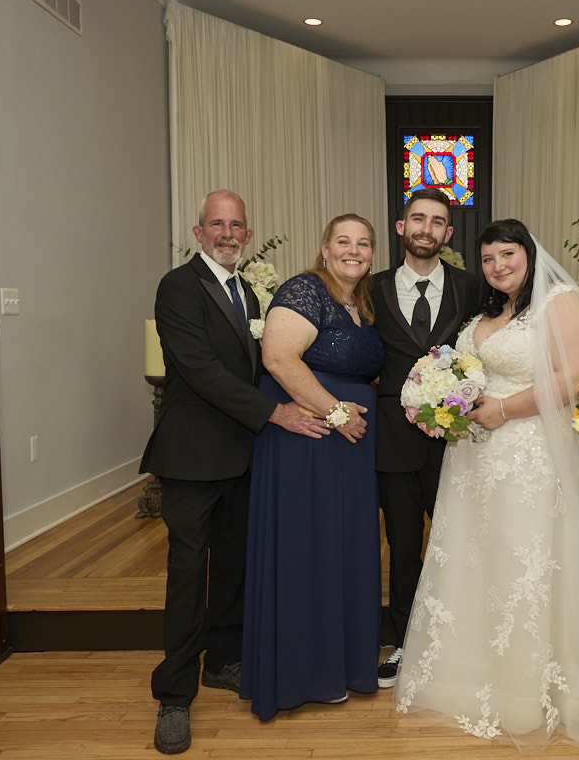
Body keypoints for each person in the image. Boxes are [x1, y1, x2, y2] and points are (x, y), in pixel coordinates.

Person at [394, 219, 579, 747]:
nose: (497, 266)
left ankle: (529, 687)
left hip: (530, 452)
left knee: (524, 558)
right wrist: (443, 399)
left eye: (507, 254)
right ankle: (475, 672)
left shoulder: (561, 302)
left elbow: (573, 378)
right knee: (478, 557)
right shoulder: (490, 312)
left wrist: (503, 409)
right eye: (487, 259)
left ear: (529, 254)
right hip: (473, 458)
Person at [140, 190, 329, 755]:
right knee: (187, 572)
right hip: (193, 455)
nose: (227, 233)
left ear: (247, 235)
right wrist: (276, 412)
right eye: (217, 224)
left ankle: (222, 660)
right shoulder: (178, 287)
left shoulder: (248, 291)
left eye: (236, 225)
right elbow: (199, 369)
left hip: (245, 454)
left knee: (232, 566)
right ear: (199, 233)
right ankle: (174, 695)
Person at [240, 214, 385, 720]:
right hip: (309, 439)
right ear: (324, 248)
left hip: (347, 446)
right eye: (343, 241)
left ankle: (341, 666)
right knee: (307, 546)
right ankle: (302, 673)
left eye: (363, 243)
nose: (353, 250)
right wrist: (337, 413)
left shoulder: (361, 304)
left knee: (340, 549)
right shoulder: (305, 290)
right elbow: (279, 359)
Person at [369, 189, 480, 687]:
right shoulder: (371, 289)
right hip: (393, 443)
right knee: (403, 547)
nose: (426, 229)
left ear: (448, 234)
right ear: (401, 227)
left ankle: (464, 638)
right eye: (418, 219)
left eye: (437, 222)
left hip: (456, 442)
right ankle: (407, 644)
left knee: (461, 541)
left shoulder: (471, 288)